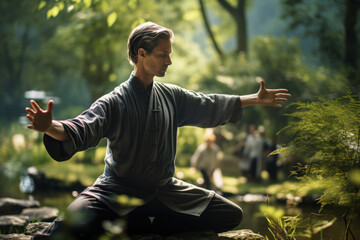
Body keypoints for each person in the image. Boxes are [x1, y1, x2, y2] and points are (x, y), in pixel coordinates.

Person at [25, 22, 291, 239]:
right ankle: (141, 223)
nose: (169, 61)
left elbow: (209, 104)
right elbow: (81, 128)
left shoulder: (171, 96)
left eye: (169, 54)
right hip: (116, 191)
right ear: (142, 54)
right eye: (163, 54)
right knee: (62, 231)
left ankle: (135, 225)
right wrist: (50, 127)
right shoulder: (114, 101)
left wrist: (255, 99)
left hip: (166, 192)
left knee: (230, 213)